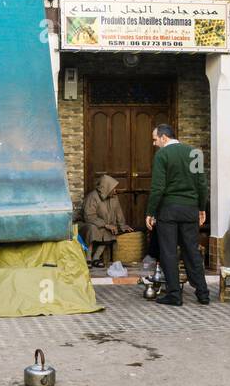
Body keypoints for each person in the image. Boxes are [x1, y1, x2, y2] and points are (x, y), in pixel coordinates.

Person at [145, 123, 209, 306]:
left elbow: (158, 187)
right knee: (192, 251)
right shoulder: (194, 153)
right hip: (190, 210)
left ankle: (174, 294)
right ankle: (203, 293)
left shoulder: (162, 155)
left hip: (169, 211)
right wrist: (201, 208)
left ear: (164, 137)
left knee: (169, 252)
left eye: (155, 139)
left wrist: (150, 212)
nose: (154, 143)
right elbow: (202, 184)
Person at [81, 173, 133, 266]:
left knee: (112, 230)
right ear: (106, 188)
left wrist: (122, 225)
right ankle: (88, 258)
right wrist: (105, 225)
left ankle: (96, 258)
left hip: (105, 225)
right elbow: (88, 216)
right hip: (89, 224)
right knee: (92, 229)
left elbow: (118, 213)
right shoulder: (92, 197)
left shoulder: (114, 197)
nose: (115, 191)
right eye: (113, 188)